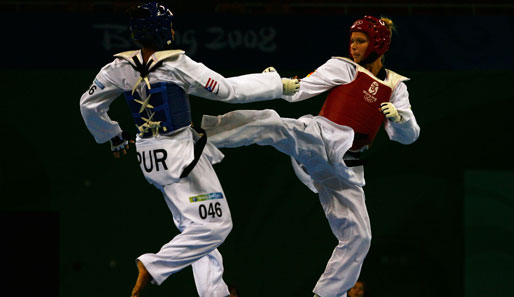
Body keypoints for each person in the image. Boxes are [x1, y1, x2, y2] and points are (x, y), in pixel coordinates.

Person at [79, 2, 299, 297]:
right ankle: (154, 264)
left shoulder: (117, 69)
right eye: (168, 25)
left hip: (150, 157)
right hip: (181, 154)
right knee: (217, 226)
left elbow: (88, 104)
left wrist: (113, 135)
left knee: (195, 229)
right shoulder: (177, 65)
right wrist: (276, 85)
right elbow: (226, 90)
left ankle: (214, 293)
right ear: (161, 32)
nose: (172, 29)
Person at [201, 15, 420, 297]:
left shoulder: (396, 87)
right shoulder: (342, 67)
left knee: (359, 237)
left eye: (360, 41)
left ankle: (327, 294)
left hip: (346, 169)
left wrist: (400, 118)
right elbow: (301, 91)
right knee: (273, 125)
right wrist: (276, 84)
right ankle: (205, 135)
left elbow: (409, 136)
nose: (353, 46)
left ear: (378, 43)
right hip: (318, 138)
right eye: (352, 40)